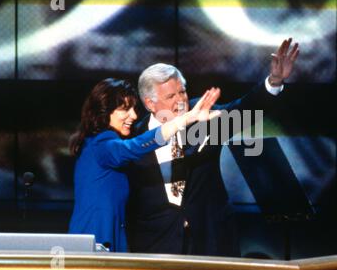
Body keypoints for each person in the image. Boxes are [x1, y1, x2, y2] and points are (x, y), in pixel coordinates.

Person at [126, 38, 299, 256]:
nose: (181, 100)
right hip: (157, 241)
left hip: (210, 237)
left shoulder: (205, 117)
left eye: (182, 92)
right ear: (150, 103)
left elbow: (244, 110)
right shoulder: (134, 137)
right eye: (171, 96)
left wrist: (274, 81)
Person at [68, 78, 221, 252]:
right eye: (124, 109)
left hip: (112, 239)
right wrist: (185, 119)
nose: (133, 116)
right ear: (104, 111)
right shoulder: (101, 143)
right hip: (96, 239)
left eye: (134, 109)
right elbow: (134, 147)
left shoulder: (96, 143)